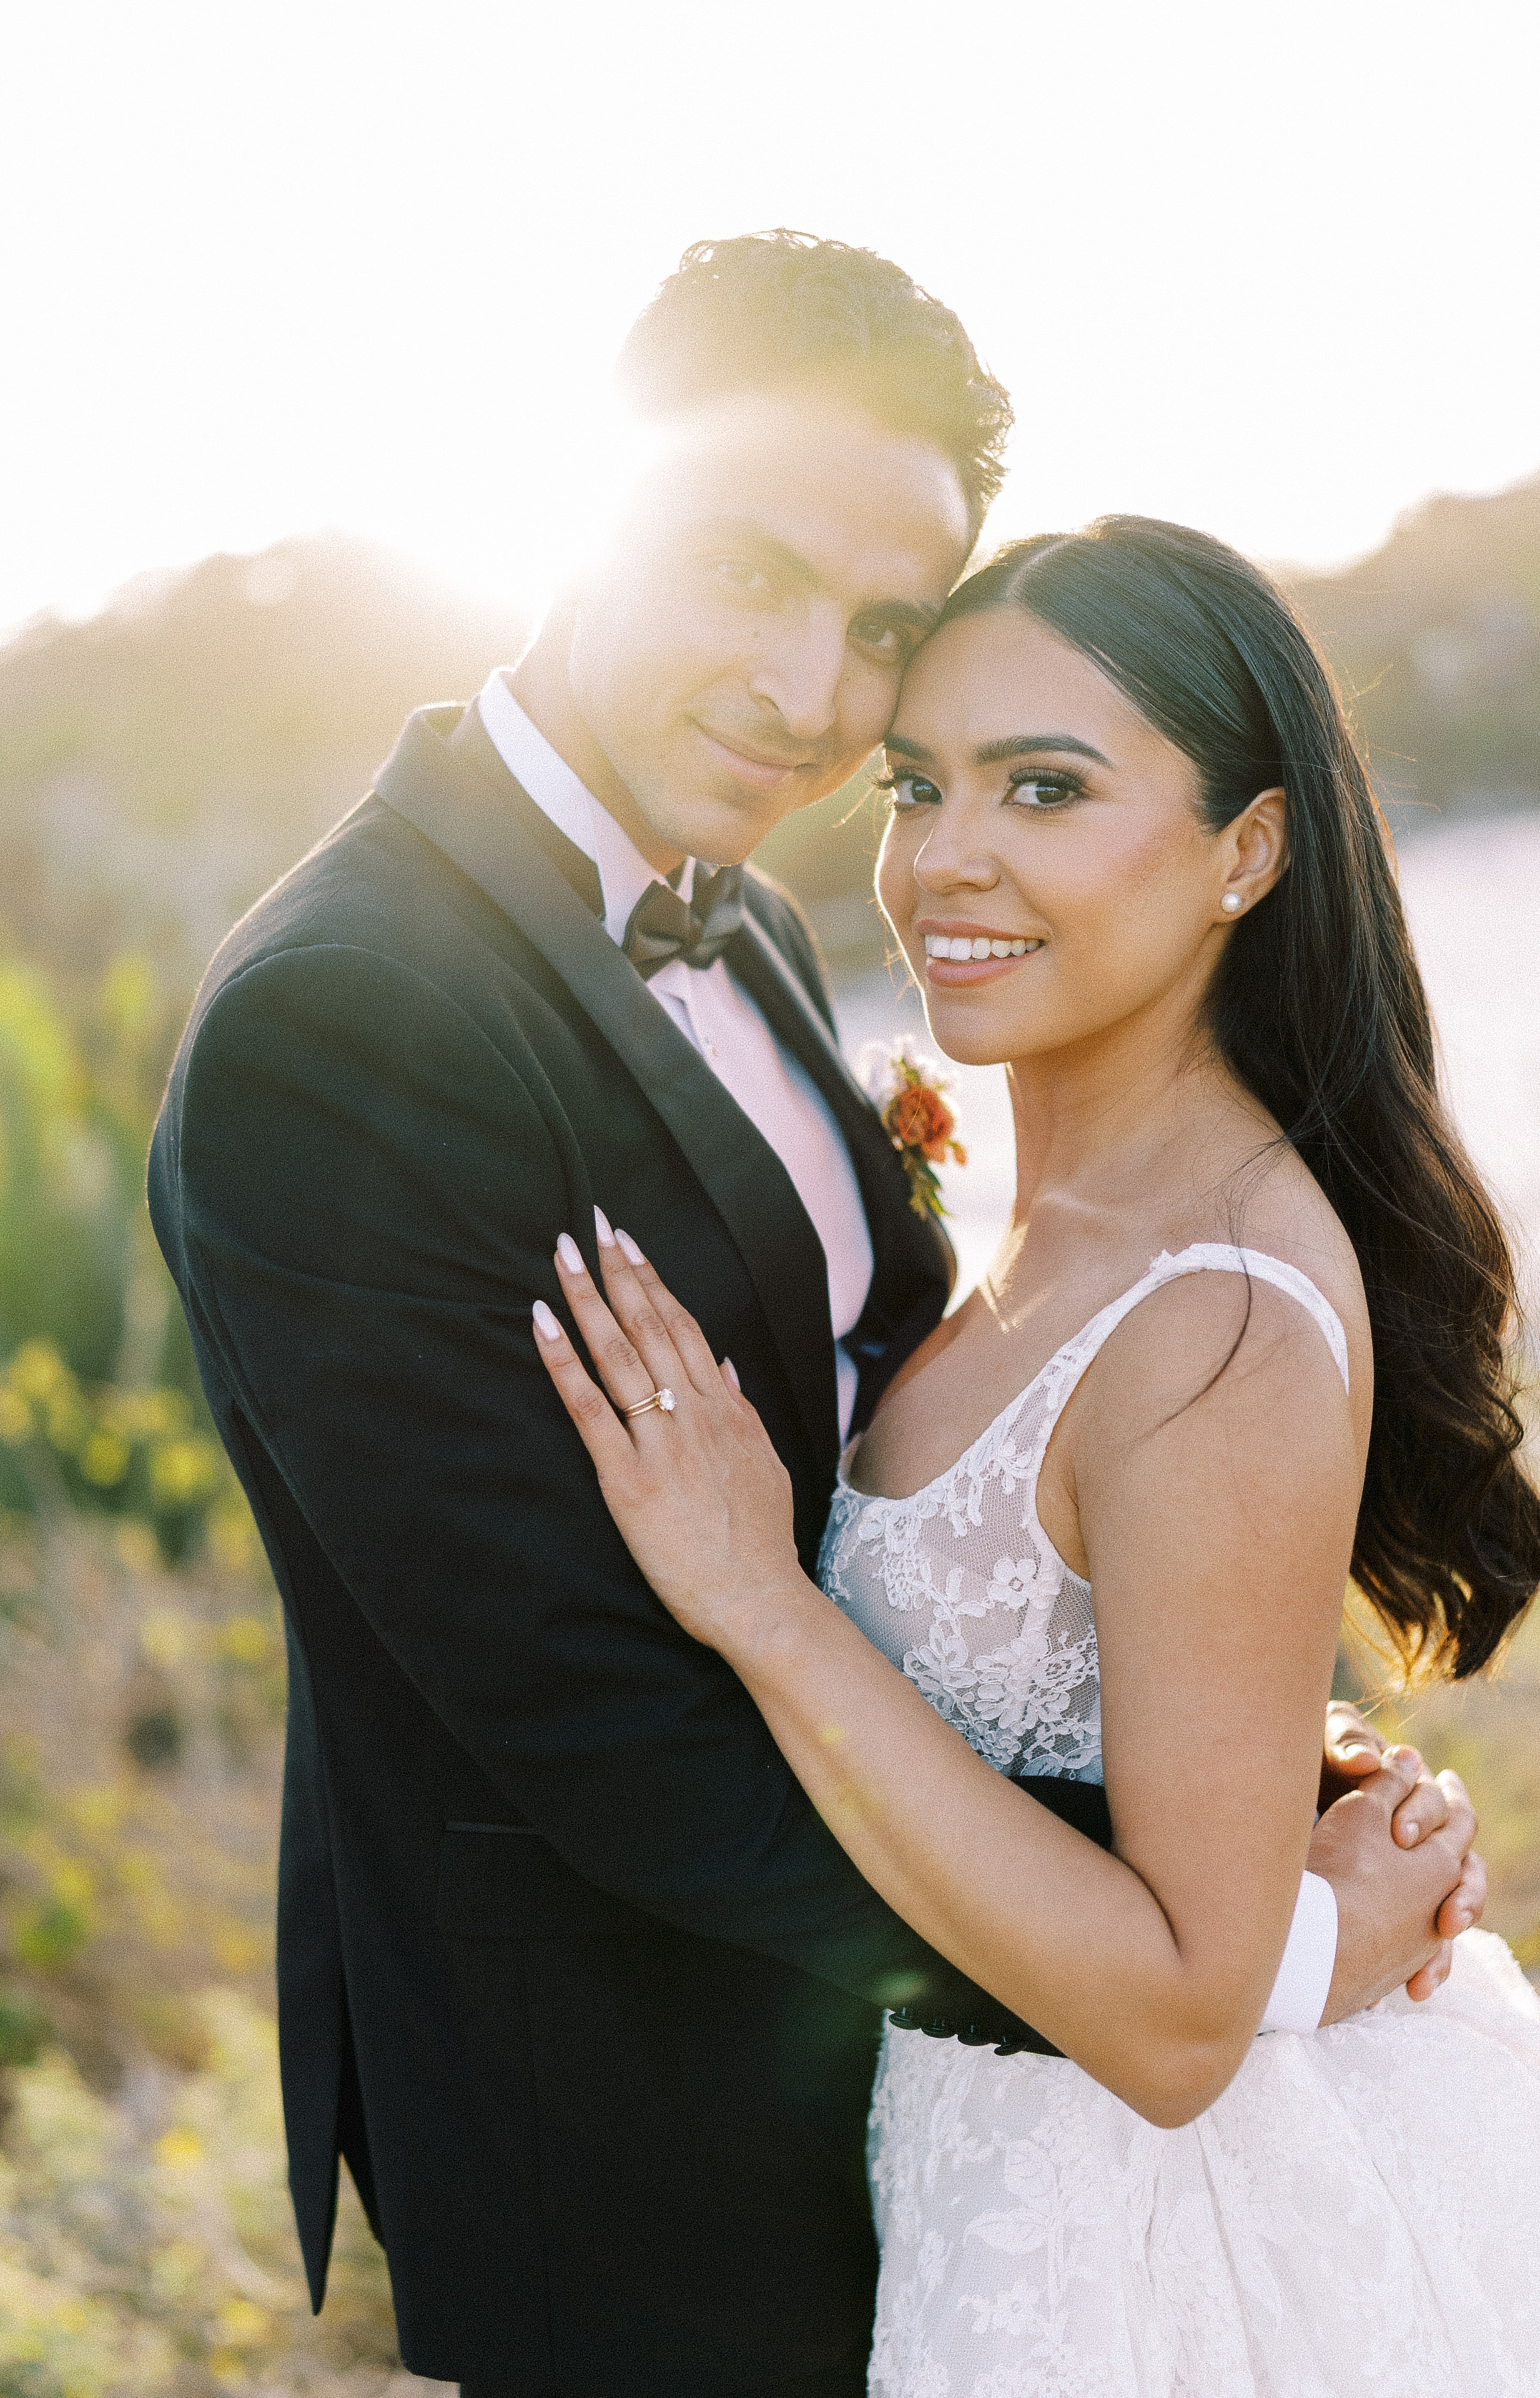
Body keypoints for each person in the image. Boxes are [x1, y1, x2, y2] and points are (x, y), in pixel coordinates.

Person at [149, 239, 1483, 2397]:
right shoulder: (351, 1018)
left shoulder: (753, 921)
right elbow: (606, 1725)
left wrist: (1238, 1777)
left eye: (878, 625)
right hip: (644, 2143)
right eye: (744, 571)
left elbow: (961, 1483)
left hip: (952, 2141)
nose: (806, 692)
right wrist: (1248, 1948)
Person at [536, 513, 1540, 2392]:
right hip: (983, 2181)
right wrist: (1299, 1802)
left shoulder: (1218, 1310)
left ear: (1247, 852)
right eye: (920, 786)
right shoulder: (1065, 1227)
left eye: (1047, 788)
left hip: (1157, 2255)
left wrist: (762, 1601)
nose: (944, 858)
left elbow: (1176, 2027)